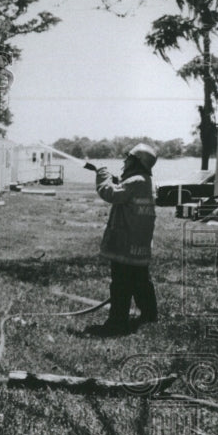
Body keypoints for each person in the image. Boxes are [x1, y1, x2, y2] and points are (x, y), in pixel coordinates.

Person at [88, 143, 159, 336]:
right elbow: (126, 191)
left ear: (136, 162)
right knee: (141, 281)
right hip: (139, 246)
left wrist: (102, 174)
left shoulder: (135, 181)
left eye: (128, 157)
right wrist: (116, 179)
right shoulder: (145, 181)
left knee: (121, 285)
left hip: (125, 245)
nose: (124, 160)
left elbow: (110, 193)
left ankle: (117, 323)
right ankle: (150, 314)